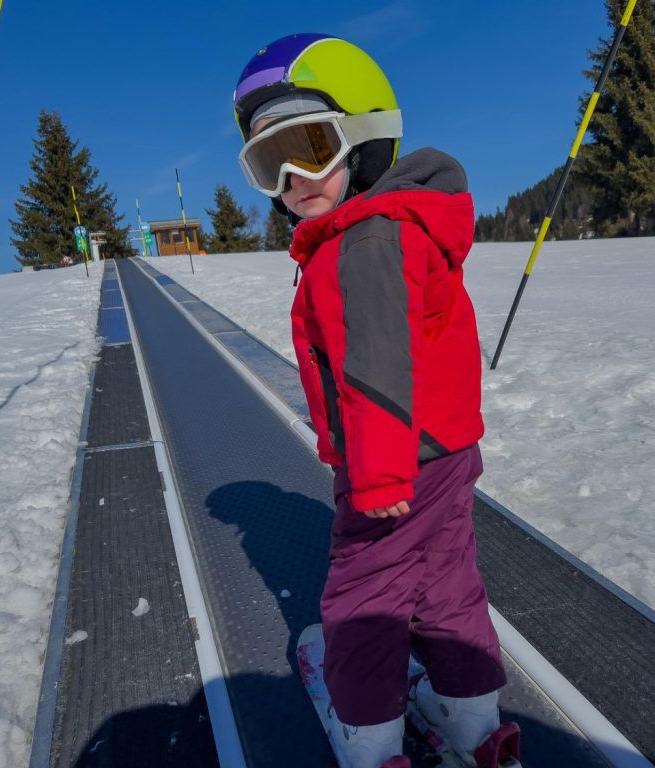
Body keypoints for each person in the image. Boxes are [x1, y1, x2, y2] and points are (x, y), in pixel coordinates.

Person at [233, 34, 516, 768]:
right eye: (272, 163)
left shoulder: (363, 242)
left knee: (364, 605)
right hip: (446, 453)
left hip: (395, 464)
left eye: (310, 146)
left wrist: (380, 476)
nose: (295, 178)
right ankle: (475, 728)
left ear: (360, 140)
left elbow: (377, 363)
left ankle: (371, 745)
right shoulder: (392, 227)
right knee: (446, 587)